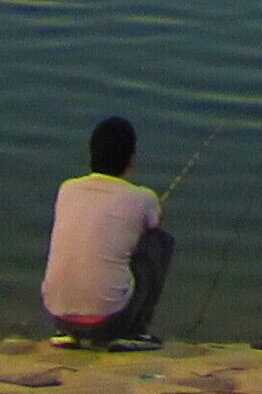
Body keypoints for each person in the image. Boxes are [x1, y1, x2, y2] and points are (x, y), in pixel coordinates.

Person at [42, 117, 174, 348]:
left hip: (59, 313)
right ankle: (134, 331)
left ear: (91, 155)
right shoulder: (142, 197)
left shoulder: (67, 189)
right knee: (158, 241)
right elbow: (155, 226)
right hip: (110, 320)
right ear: (131, 160)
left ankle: (67, 332)